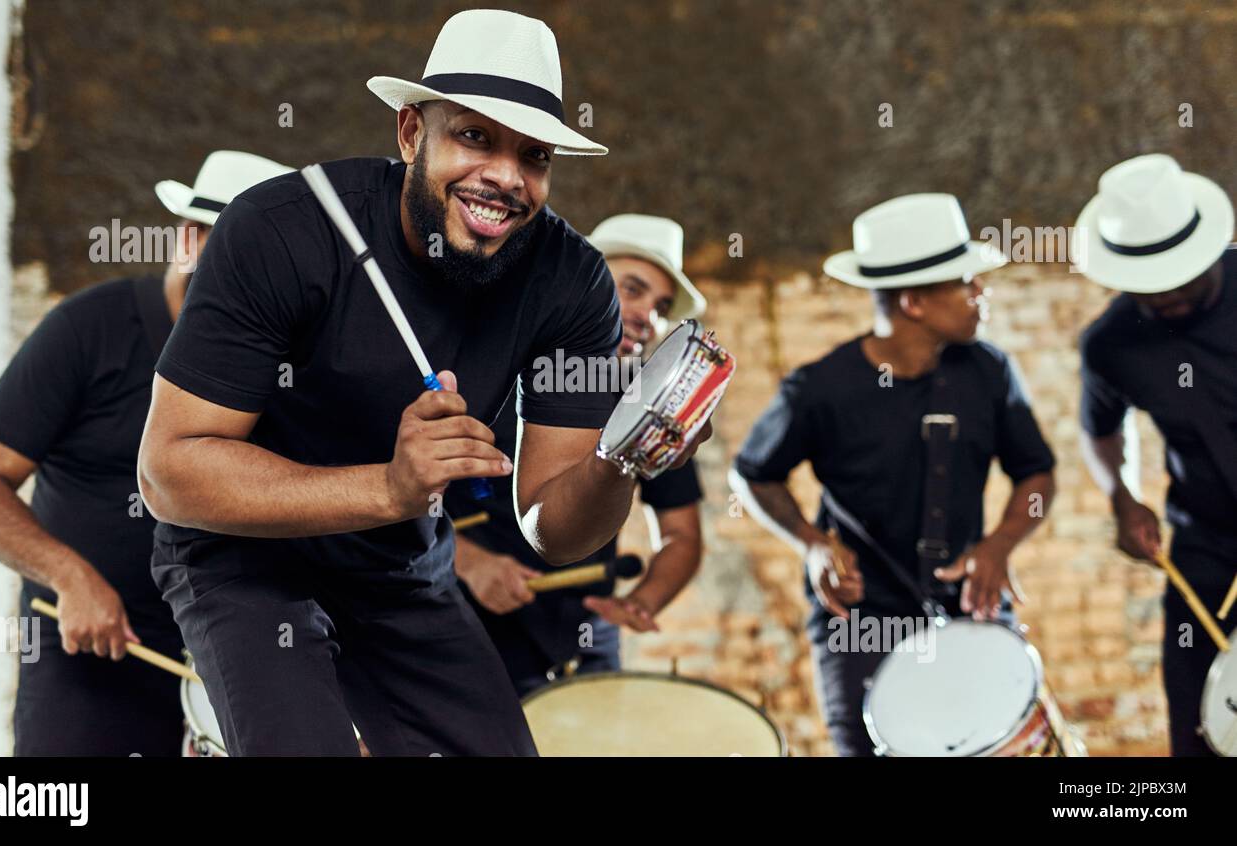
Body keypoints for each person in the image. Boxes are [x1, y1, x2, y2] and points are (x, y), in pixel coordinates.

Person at [136, 9, 709, 757]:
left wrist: (622, 458)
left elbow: (554, 530)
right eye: (475, 136)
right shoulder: (283, 230)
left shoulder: (571, 283)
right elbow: (170, 472)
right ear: (411, 133)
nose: (504, 176)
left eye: (533, 154)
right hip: (243, 554)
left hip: (397, 569)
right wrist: (389, 489)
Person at [0, 150, 292, 756]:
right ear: (189, 239)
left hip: (219, 654)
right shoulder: (87, 328)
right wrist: (69, 577)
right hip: (84, 642)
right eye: (238, 261)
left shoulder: (281, 360)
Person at [731, 193, 1056, 756]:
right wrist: (811, 544)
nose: (983, 294)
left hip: (968, 606)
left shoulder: (989, 370)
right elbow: (753, 473)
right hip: (862, 622)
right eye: (967, 284)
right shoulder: (820, 388)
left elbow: (1037, 474)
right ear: (915, 302)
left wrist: (1001, 544)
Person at [447, 213, 707, 695]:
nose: (647, 316)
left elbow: (681, 535)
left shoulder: (643, 401)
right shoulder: (487, 361)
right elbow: (391, 497)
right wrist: (468, 562)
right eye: (632, 289)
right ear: (582, 279)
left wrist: (642, 599)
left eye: (661, 306)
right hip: (459, 624)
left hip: (583, 637)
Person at [1074, 153, 1237, 757]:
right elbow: (1099, 430)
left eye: (1179, 277)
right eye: (1147, 285)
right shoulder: (1110, 343)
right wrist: (1122, 496)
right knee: (1203, 729)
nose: (1164, 294)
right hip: (1205, 548)